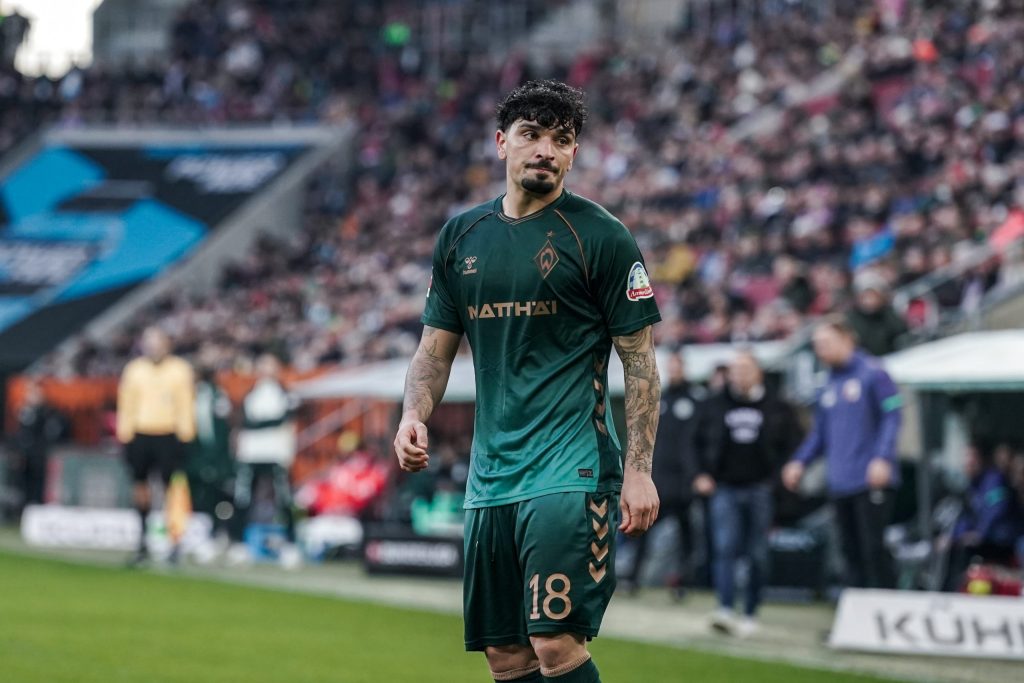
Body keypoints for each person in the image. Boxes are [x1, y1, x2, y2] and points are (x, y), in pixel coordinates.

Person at [394, 80, 661, 683]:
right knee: (506, 657)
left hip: (570, 469)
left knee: (554, 643)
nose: (545, 149)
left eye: (561, 140)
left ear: (574, 154)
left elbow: (641, 362)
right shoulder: (460, 237)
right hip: (490, 478)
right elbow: (433, 352)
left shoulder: (601, 237)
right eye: (531, 135)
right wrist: (413, 415)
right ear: (501, 143)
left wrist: (639, 469)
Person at [782, 317, 902, 589]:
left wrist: (882, 457)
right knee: (849, 551)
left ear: (847, 339)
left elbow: (892, 416)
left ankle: (886, 606)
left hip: (869, 478)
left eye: (825, 343)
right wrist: (799, 462)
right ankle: (856, 609)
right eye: (817, 345)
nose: (820, 350)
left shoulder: (874, 373)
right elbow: (820, 434)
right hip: (840, 480)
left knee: (873, 548)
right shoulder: (826, 383)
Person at [696, 351, 796, 637]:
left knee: (757, 553)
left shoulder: (778, 406)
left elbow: (792, 444)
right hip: (725, 488)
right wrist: (700, 474)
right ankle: (725, 608)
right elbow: (694, 441)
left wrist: (778, 480)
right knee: (725, 548)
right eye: (735, 370)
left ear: (758, 373)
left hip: (760, 488)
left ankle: (751, 612)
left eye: (745, 369)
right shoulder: (714, 404)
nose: (739, 375)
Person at [621, 350, 704, 599]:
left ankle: (682, 583)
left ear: (684, 368)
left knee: (686, 536)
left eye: (678, 366)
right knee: (642, 530)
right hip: (657, 480)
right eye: (671, 366)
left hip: (684, 483)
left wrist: (695, 475)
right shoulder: (659, 398)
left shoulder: (696, 401)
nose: (674, 370)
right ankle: (633, 578)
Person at [117, 327, 196, 565]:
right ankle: (142, 542)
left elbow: (185, 403)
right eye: (149, 342)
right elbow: (126, 403)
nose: (154, 347)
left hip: (169, 434)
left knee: (172, 488)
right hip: (140, 433)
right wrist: (125, 434)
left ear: (167, 344)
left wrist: (186, 435)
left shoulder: (180, 370)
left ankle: (175, 542)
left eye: (158, 342)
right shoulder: (134, 370)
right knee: (140, 487)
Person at [231, 353, 299, 561]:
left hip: (275, 453)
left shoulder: (285, 394)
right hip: (252, 453)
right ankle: (239, 543)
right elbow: (245, 422)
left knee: (283, 498)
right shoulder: (251, 393)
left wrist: (287, 451)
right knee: (244, 498)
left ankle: (290, 545)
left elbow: (286, 422)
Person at [942, 444, 1022, 590]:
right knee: (952, 549)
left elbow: (997, 510)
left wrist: (979, 533)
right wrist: (954, 537)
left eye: (972, 458)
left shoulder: (994, 481)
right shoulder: (971, 486)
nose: (968, 463)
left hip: (1001, 540)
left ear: (982, 460)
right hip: (985, 540)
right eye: (966, 459)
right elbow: (966, 517)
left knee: (966, 552)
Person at [186, 360, 234, 536]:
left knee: (218, 494)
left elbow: (222, 428)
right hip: (194, 454)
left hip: (215, 454)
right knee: (195, 493)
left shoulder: (216, 394)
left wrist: (217, 454)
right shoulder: (186, 394)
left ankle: (218, 529)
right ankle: (199, 530)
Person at [12, 379, 66, 513]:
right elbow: (20, 434)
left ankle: (37, 509)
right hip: (25, 456)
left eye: (36, 393)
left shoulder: (48, 412)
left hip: (40, 455)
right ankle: (23, 509)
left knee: (39, 484)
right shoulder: (24, 411)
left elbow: (51, 433)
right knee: (23, 484)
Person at [845, 271, 908, 357]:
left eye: (872, 295)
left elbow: (901, 332)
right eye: (864, 296)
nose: (869, 301)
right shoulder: (852, 319)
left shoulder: (888, 312)